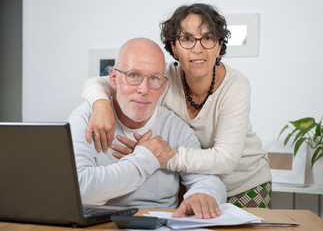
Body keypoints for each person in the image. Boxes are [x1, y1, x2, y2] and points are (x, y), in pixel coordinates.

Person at [82, 3, 272, 208]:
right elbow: (102, 81)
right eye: (187, 39)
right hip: (191, 181)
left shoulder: (236, 85)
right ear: (174, 47)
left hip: (242, 183)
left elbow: (225, 160)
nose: (197, 48)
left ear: (219, 47)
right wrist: (101, 104)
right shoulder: (161, 77)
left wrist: (154, 155)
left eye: (208, 38)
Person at [68, 38, 226, 219]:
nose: (144, 89)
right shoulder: (85, 118)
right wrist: (146, 159)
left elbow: (208, 179)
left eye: (154, 78)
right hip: (101, 223)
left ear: (163, 87)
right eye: (133, 75)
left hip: (162, 223)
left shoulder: (174, 126)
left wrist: (203, 193)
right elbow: (78, 191)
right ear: (113, 78)